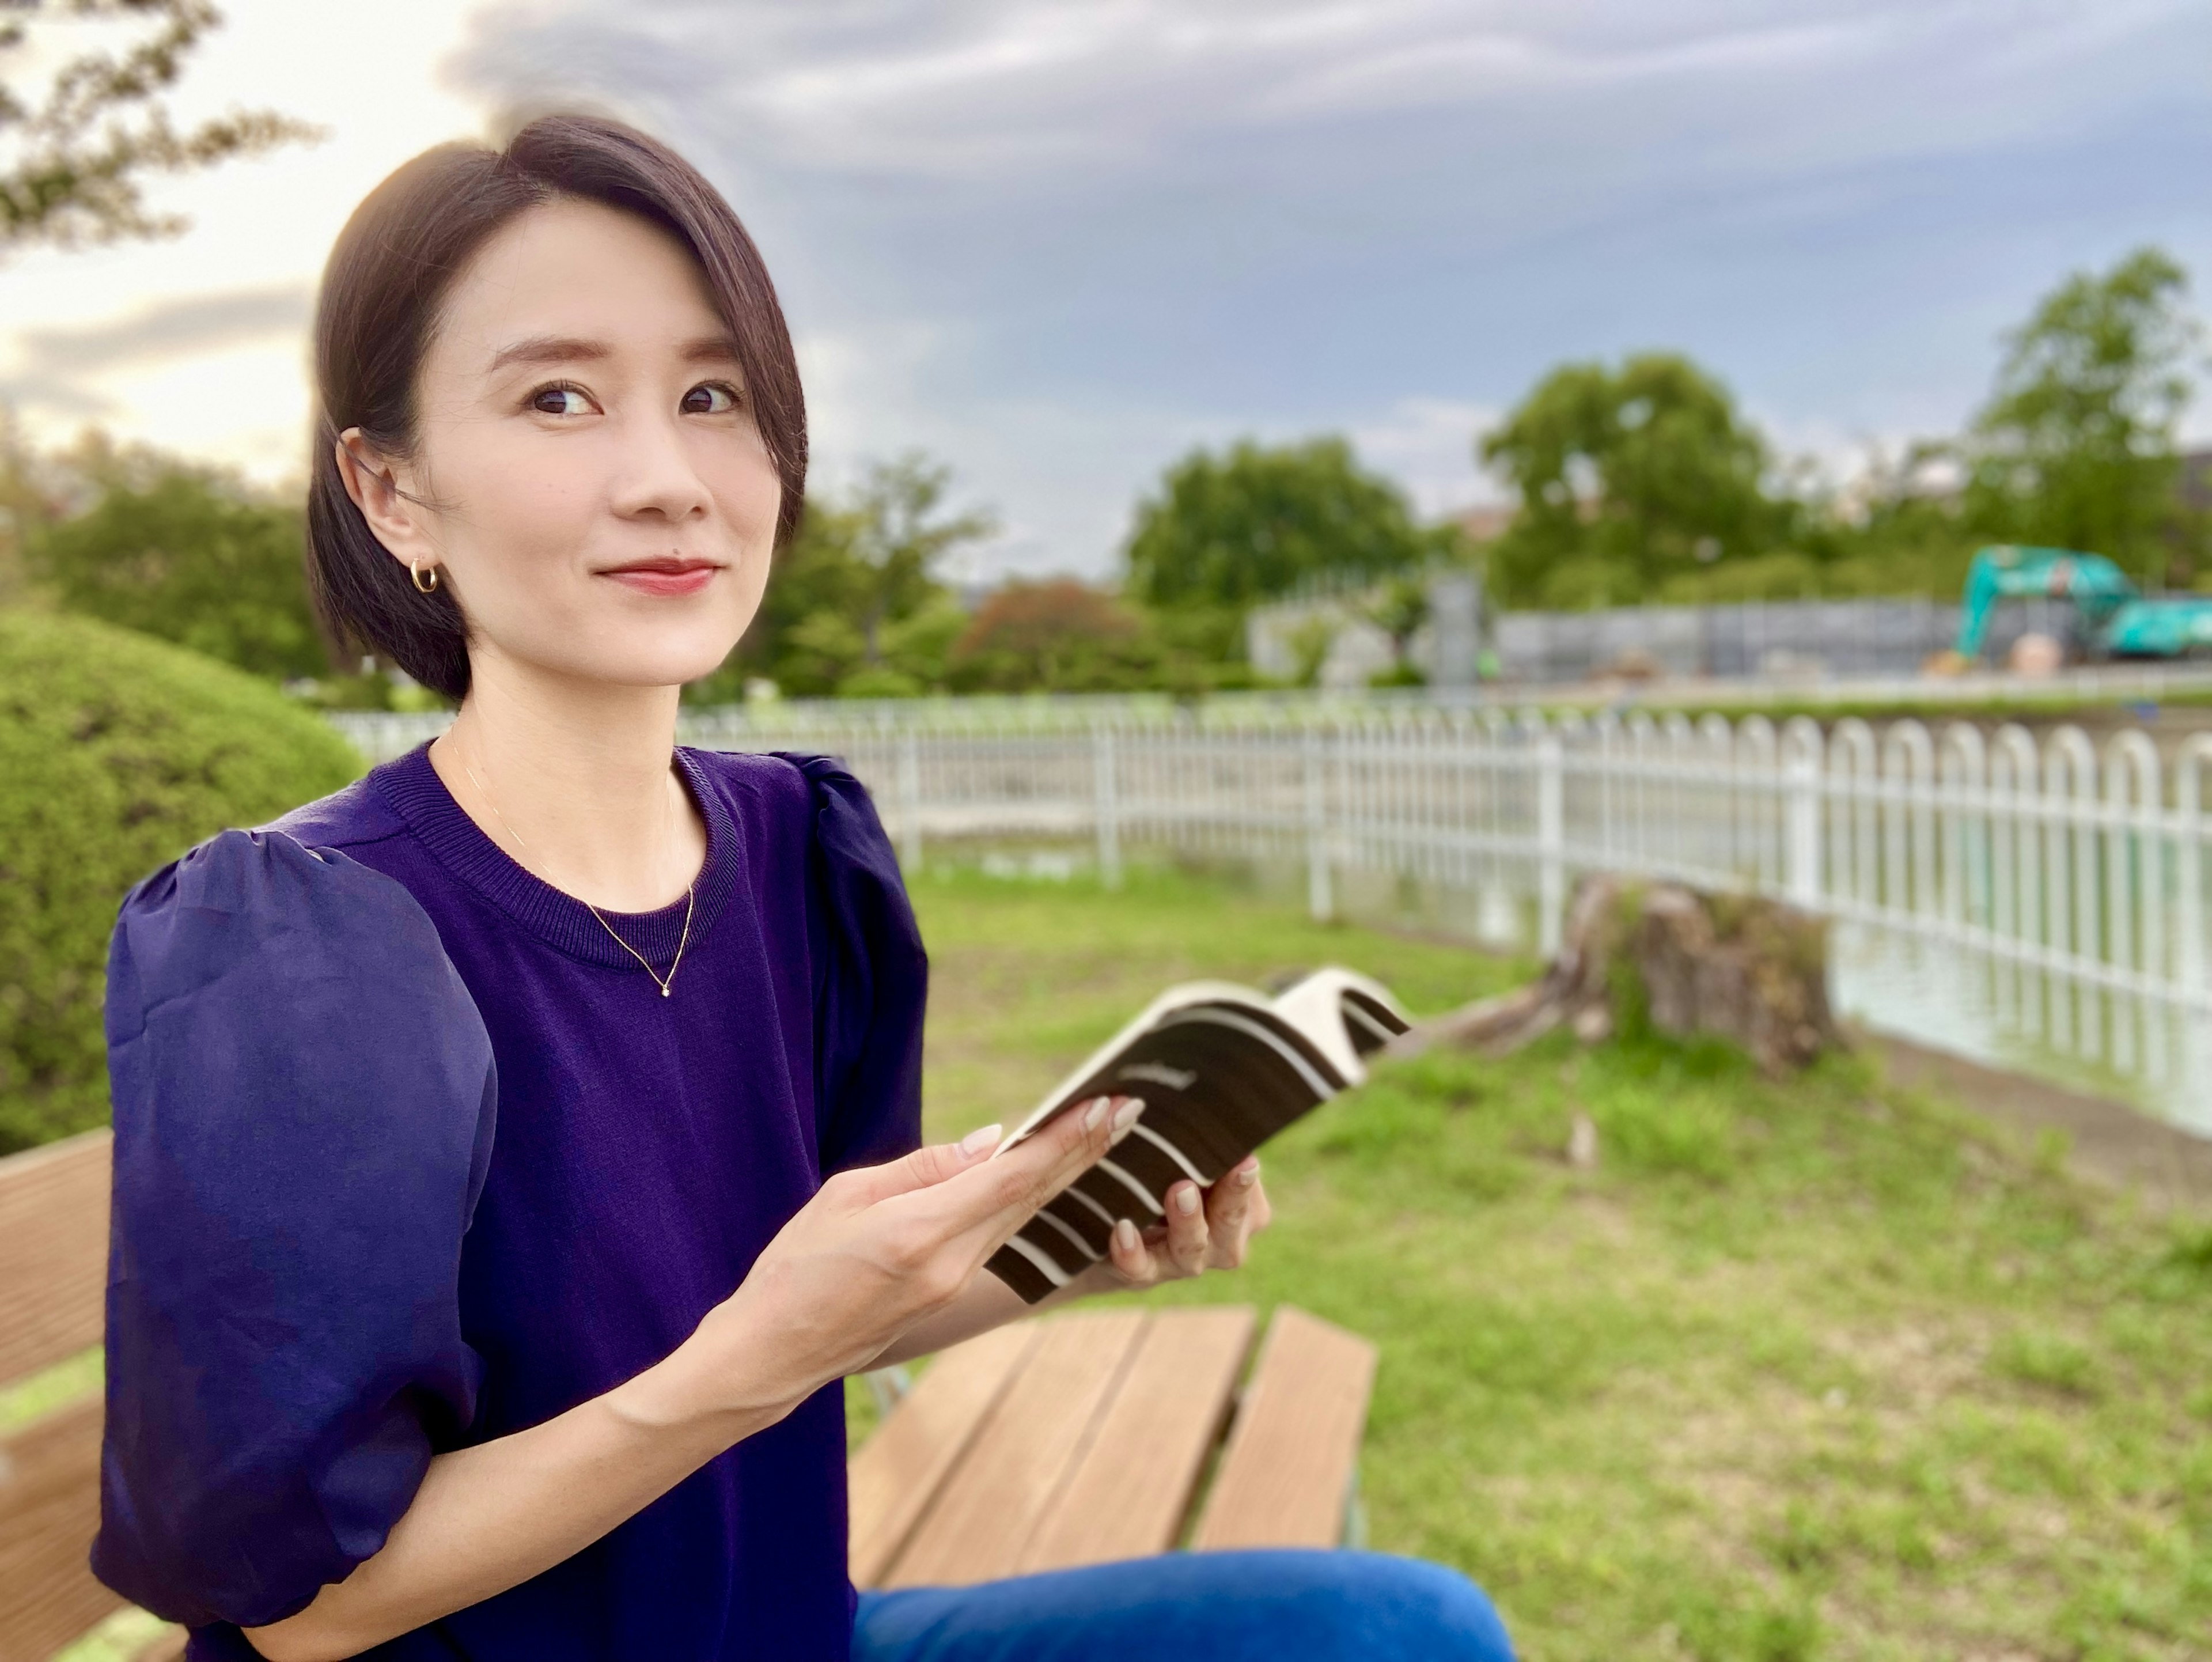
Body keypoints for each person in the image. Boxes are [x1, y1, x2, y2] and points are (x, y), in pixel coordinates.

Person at [92, 113, 1516, 1662]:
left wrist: (1066, 1249)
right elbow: (298, 1608)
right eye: (559, 397)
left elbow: (831, 1311)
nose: (667, 479)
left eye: (714, 396)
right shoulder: (291, 948)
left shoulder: (794, 849)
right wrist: (746, 1366)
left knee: (1400, 1630)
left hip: (794, 1632)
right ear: (393, 493)